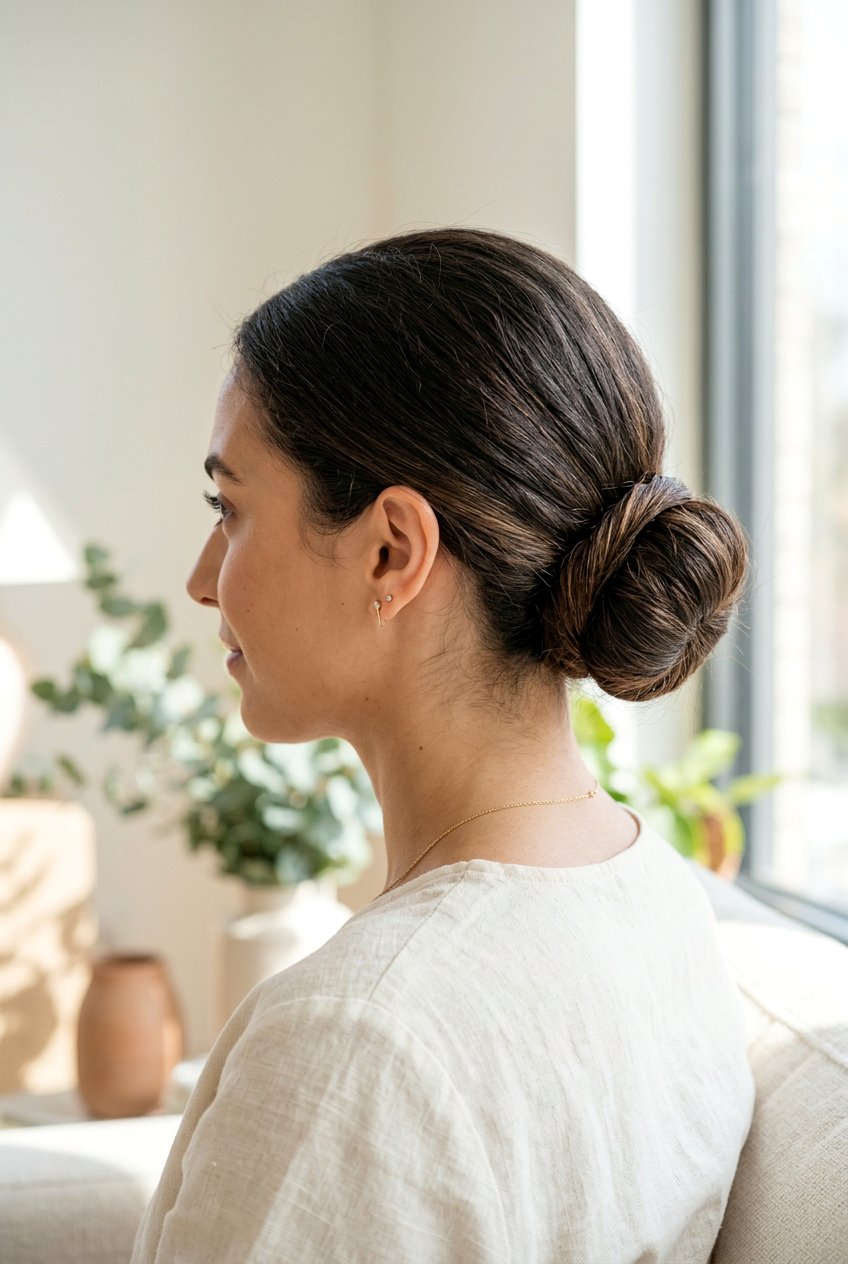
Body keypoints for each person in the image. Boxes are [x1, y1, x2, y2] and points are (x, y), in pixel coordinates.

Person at [131, 227, 755, 1263]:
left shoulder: (354, 1043)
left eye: (229, 509)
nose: (203, 579)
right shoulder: (654, 894)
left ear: (390, 551)